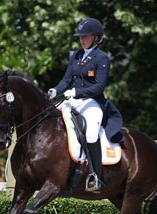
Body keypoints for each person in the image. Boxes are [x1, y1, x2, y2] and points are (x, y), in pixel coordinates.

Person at [48, 17, 122, 192]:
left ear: (96, 37)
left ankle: (96, 177)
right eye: (80, 37)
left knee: (90, 133)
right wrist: (55, 91)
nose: (82, 40)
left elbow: (99, 86)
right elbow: (66, 80)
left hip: (92, 103)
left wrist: (76, 92)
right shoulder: (76, 55)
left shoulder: (102, 57)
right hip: (73, 100)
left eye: (86, 36)